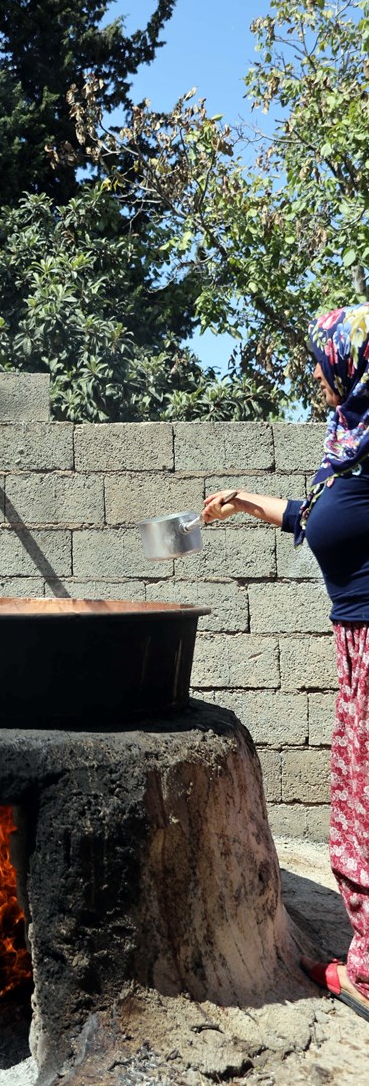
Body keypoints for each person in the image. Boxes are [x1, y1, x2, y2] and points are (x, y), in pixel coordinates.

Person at [203, 301, 369, 1023]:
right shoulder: (351, 445)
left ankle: (365, 974)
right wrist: (243, 502)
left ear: (349, 361)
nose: (313, 372)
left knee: (358, 816)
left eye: (320, 359)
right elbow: (318, 518)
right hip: (357, 646)